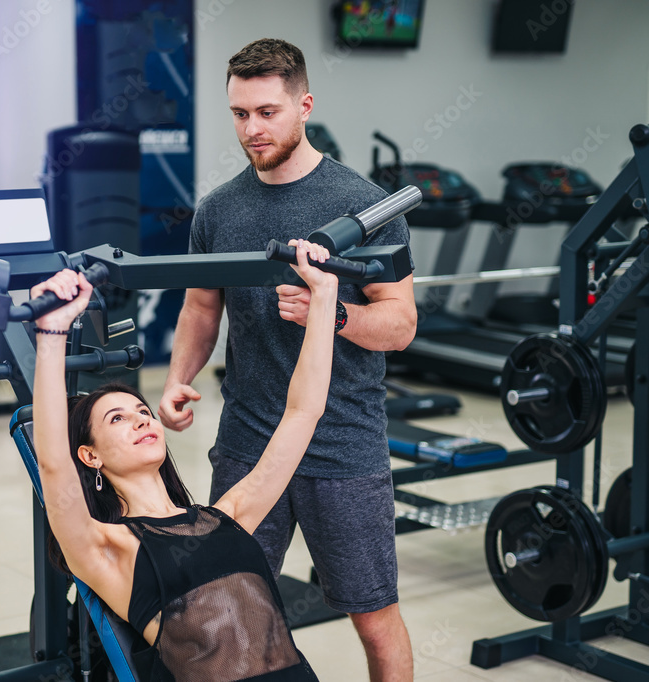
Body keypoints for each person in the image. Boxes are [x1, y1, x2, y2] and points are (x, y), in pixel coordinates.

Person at [158, 39, 416, 682]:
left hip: (343, 441)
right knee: (226, 608)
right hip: (248, 440)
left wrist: (333, 314)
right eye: (240, 114)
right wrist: (177, 379)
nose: (253, 128)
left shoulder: (363, 205)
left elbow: (401, 325)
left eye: (267, 112)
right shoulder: (217, 209)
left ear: (304, 105)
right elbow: (200, 307)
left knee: (373, 615)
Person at [31, 240, 335, 681]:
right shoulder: (107, 548)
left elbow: (303, 413)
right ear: (90, 455)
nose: (140, 420)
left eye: (142, 411)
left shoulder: (228, 515)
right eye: (118, 418)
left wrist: (324, 296)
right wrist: (52, 332)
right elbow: (53, 463)